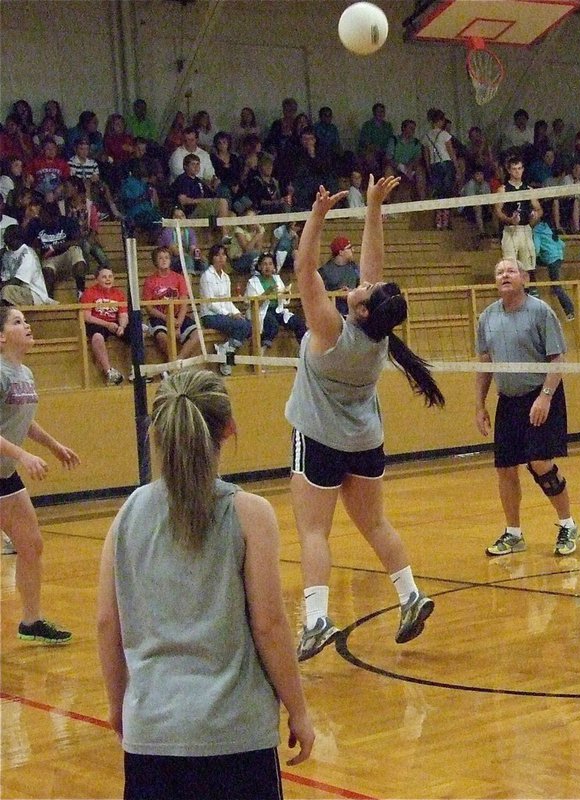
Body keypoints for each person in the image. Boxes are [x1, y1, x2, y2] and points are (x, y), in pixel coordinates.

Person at [97, 369, 314, 799]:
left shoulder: (128, 513)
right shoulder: (250, 514)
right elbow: (269, 625)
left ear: (157, 434)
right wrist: (299, 710)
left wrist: (117, 703)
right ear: (229, 429)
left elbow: (107, 622)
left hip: (152, 736)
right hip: (234, 737)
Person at [285, 176, 444, 662]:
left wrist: (317, 216)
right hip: (364, 441)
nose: (360, 284)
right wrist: (373, 208)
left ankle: (315, 620)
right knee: (375, 525)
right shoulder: (378, 336)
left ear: (360, 309)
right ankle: (410, 595)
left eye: (361, 290)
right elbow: (374, 273)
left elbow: (304, 269)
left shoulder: (331, 330)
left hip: (318, 439)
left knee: (314, 533)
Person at [475, 258, 580, 558]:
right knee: (505, 468)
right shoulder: (487, 317)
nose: (504, 275)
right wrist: (480, 405)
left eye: (510, 271)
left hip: (540, 395)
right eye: (499, 272)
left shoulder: (540, 311)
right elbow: (485, 364)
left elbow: (557, 359)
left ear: (523, 277)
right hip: (508, 400)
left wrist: (545, 396)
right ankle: (513, 534)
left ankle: (567, 523)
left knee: (540, 463)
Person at [1, 306, 79, 644]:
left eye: (25, 319)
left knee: (31, 545)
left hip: (4, 476)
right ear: (2, 336)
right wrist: (22, 455)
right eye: (17, 322)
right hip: (8, 464)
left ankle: (31, 622)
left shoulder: (25, 373)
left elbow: (22, 420)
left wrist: (52, 445)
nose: (27, 325)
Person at [199, 243, 252, 376]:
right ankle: (227, 357)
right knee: (240, 325)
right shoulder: (207, 276)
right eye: (217, 255)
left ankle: (225, 351)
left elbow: (228, 301)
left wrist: (236, 312)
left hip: (224, 314)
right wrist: (229, 314)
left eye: (223, 254)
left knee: (248, 325)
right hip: (210, 315)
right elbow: (210, 303)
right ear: (212, 258)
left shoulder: (226, 277)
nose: (221, 258)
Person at [142, 246, 201, 364]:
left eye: (166, 257)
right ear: (155, 261)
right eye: (160, 258)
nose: (164, 260)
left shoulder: (179, 278)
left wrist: (178, 322)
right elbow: (149, 307)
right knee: (162, 337)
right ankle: (173, 363)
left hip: (178, 315)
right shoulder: (150, 281)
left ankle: (177, 362)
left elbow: (184, 301)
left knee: (197, 334)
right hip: (160, 317)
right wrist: (168, 319)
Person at [495, 155, 542, 294]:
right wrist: (509, 219)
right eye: (514, 169)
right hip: (510, 230)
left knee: (528, 266)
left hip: (525, 230)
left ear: (523, 169)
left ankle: (531, 294)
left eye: (519, 168)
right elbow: (497, 211)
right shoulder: (503, 189)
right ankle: (512, 294)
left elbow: (539, 209)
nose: (517, 172)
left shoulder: (528, 190)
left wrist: (535, 216)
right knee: (510, 266)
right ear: (509, 171)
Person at [246, 252, 306, 350]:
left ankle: (303, 352)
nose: (268, 267)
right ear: (260, 267)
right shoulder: (252, 282)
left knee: (298, 322)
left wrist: (285, 294)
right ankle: (261, 352)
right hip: (262, 312)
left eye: (270, 264)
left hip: (277, 310)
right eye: (265, 264)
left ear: (274, 266)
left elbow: (283, 300)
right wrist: (267, 293)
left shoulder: (277, 279)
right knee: (272, 324)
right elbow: (253, 305)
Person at [81, 267, 130, 386]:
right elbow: (86, 316)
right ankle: (109, 371)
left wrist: (122, 327)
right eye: (104, 277)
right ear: (97, 279)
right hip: (98, 322)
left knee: (136, 333)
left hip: (115, 322)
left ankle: (136, 368)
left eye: (110, 276)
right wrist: (107, 324)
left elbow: (123, 315)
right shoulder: (89, 293)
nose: (108, 279)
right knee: (97, 336)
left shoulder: (118, 293)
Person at [319, 235, 360, 316]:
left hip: (353, 312)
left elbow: (362, 286)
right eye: (349, 248)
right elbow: (318, 294)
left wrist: (352, 292)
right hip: (333, 313)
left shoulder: (355, 268)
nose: (353, 250)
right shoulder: (325, 271)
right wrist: (337, 294)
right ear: (341, 252)